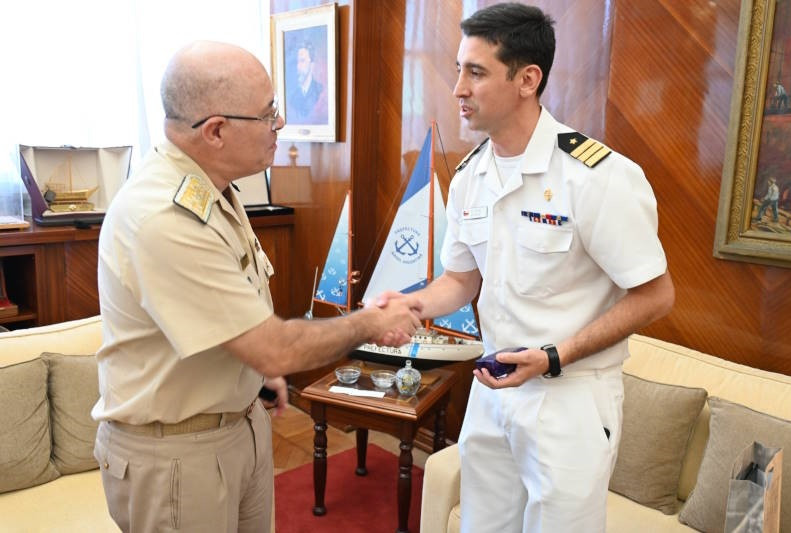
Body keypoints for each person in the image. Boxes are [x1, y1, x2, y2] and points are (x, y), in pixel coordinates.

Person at [92, 41, 421, 533]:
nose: (281, 124)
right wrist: (372, 322)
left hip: (234, 428)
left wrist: (250, 373)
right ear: (217, 131)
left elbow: (232, 318)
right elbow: (274, 348)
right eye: (268, 113)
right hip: (179, 454)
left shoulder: (213, 185)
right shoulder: (162, 216)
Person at [374, 4, 674, 531]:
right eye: (458, 69)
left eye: (476, 71)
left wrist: (556, 356)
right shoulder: (470, 175)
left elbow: (655, 295)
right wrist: (412, 305)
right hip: (492, 392)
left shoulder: (596, 177)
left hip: (571, 399)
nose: (457, 88)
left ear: (527, 79)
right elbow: (462, 280)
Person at [287, 41, 326, 124]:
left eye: (302, 61)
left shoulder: (320, 91)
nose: (298, 66)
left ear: (312, 65)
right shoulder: (293, 97)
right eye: (297, 62)